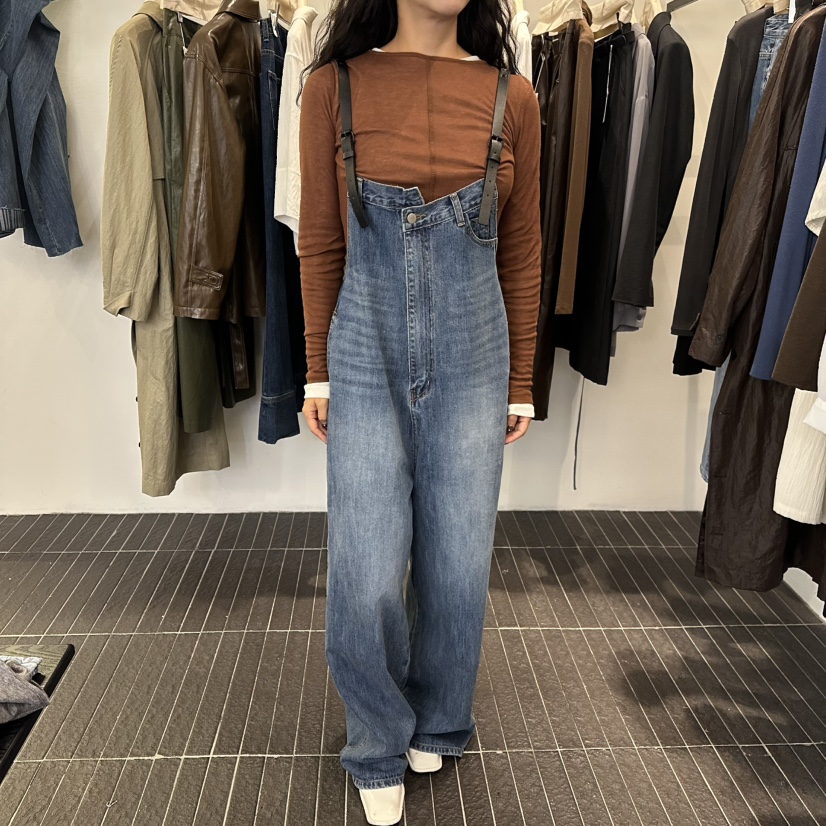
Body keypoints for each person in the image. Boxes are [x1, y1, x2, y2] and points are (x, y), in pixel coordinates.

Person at [297, 0, 541, 822]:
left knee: (458, 555)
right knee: (366, 562)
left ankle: (439, 718)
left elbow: (523, 245)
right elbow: (320, 238)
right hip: (363, 344)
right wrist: (317, 371)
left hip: (477, 350)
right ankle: (375, 741)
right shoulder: (332, 88)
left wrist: (521, 378)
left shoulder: (513, 96)